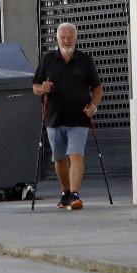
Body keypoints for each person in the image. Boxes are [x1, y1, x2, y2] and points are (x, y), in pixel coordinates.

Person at [32, 22, 102, 211]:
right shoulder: (48, 59)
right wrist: (43, 88)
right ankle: (65, 191)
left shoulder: (85, 60)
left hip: (79, 117)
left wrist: (93, 106)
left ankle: (75, 194)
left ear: (75, 38)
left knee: (76, 155)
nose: (66, 40)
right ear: (57, 39)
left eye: (69, 37)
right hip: (54, 117)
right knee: (60, 158)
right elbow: (35, 86)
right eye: (63, 37)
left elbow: (97, 87)